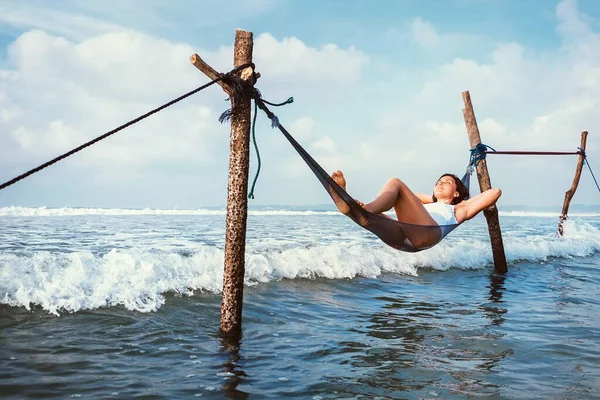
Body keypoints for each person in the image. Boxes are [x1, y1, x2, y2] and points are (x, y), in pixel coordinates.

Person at [330, 170, 501, 241]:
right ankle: (349, 206)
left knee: (395, 183)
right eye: (438, 182)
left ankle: (366, 208)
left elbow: (495, 192)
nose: (440, 184)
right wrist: (435, 198)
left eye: (447, 182)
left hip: (428, 232)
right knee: (366, 219)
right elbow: (411, 196)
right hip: (405, 233)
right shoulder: (427, 206)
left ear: (457, 193)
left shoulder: (459, 209)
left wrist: (463, 201)